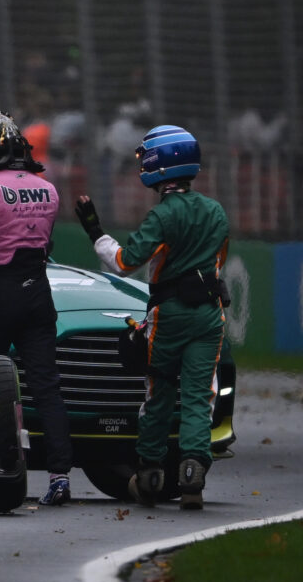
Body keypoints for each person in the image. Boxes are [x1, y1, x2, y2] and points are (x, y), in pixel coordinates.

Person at [74, 124, 229, 510]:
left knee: (159, 393)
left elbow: (124, 263)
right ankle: (193, 471)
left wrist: (95, 230)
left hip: (169, 315)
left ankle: (150, 471)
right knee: (198, 396)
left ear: (160, 164)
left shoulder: (162, 216)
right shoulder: (216, 211)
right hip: (210, 315)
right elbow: (218, 263)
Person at [0, 111, 73, 506]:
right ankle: (60, 476)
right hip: (39, 292)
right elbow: (47, 245)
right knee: (47, 386)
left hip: (1, 291)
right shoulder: (48, 188)